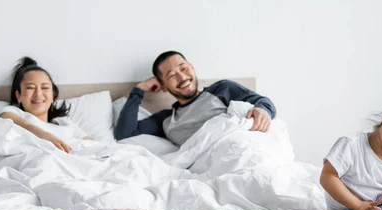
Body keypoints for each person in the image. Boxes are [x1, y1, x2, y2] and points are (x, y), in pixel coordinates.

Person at [114, 51, 276, 146]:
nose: (182, 77)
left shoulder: (222, 89)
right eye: (171, 75)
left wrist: (262, 110)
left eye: (184, 68)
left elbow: (264, 102)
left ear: (192, 67)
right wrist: (139, 90)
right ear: (163, 85)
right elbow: (124, 133)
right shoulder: (166, 120)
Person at [0, 57, 89, 153]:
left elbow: (92, 146)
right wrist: (45, 136)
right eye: (30, 87)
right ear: (18, 96)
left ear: (53, 95)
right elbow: (6, 118)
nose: (38, 94)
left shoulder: (66, 123)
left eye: (45, 87)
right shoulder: (14, 113)